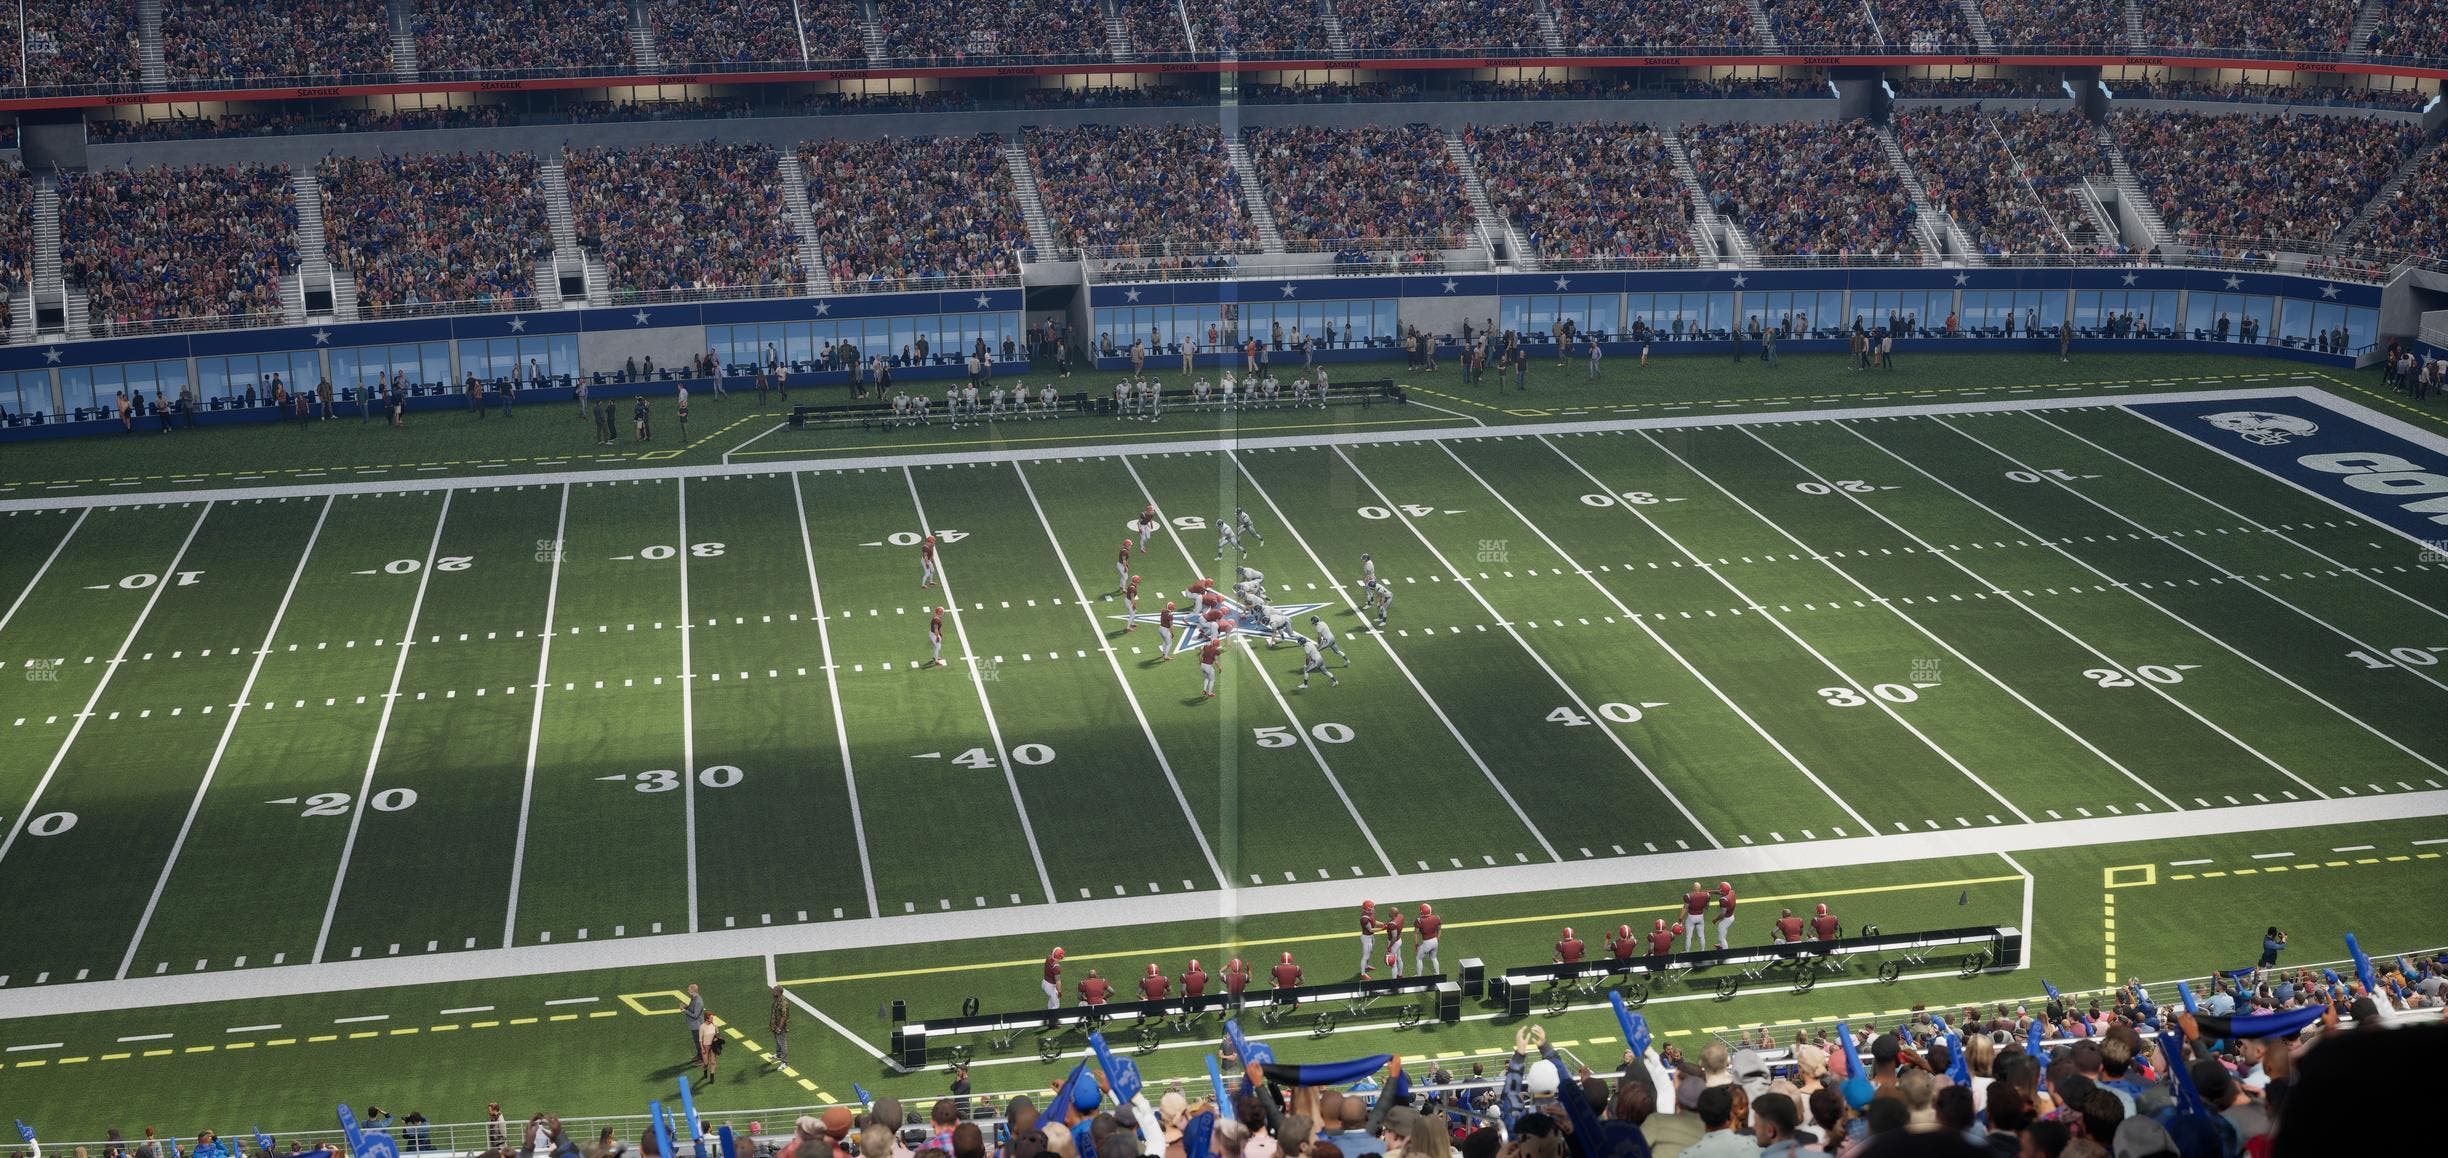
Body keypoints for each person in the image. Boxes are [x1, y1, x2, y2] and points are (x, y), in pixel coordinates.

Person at [1683, 882, 1711, 952]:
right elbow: (1707, 906)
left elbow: (1685, 908)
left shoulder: (1688, 896)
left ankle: (1687, 952)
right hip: (1700, 917)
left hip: (1691, 917)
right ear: (1700, 888)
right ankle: (1702, 951)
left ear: (1693, 888)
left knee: (1689, 937)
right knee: (1701, 936)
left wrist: (1680, 917)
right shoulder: (1706, 895)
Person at [1414, 902, 1440, 975]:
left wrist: (1416, 944)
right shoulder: (1437, 917)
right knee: (1434, 958)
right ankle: (1437, 974)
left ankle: (1419, 976)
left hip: (1427, 942)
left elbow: (1416, 933)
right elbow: (1439, 930)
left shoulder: (1419, 920)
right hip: (1435, 941)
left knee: (1419, 958)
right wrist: (1437, 939)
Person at [769, 984, 792, 1066]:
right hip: (775, 1025)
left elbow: (784, 1016)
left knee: (783, 1043)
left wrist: (779, 1027)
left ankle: (785, 1062)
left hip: (780, 1027)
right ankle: (778, 1054)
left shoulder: (783, 1003)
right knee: (777, 1041)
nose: (772, 992)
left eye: (774, 991)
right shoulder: (776, 999)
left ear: (779, 992)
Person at [683, 983, 705, 1062]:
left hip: (697, 1026)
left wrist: (685, 1011)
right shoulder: (694, 998)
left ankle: (702, 1059)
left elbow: (695, 1015)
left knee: (700, 1043)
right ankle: (699, 1055)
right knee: (697, 1043)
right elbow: (693, 1009)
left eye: (689, 989)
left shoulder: (698, 1001)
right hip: (695, 1026)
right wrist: (686, 1007)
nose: (688, 991)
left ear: (693, 991)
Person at [1714, 882, 1737, 950]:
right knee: (1723, 931)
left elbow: (1722, 914)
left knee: (1721, 938)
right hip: (1731, 916)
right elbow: (1721, 892)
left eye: (1720, 889)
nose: (1718, 889)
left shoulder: (1723, 900)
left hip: (1726, 919)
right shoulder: (1732, 892)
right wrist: (1709, 891)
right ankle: (1721, 945)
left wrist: (1715, 920)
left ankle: (1725, 951)